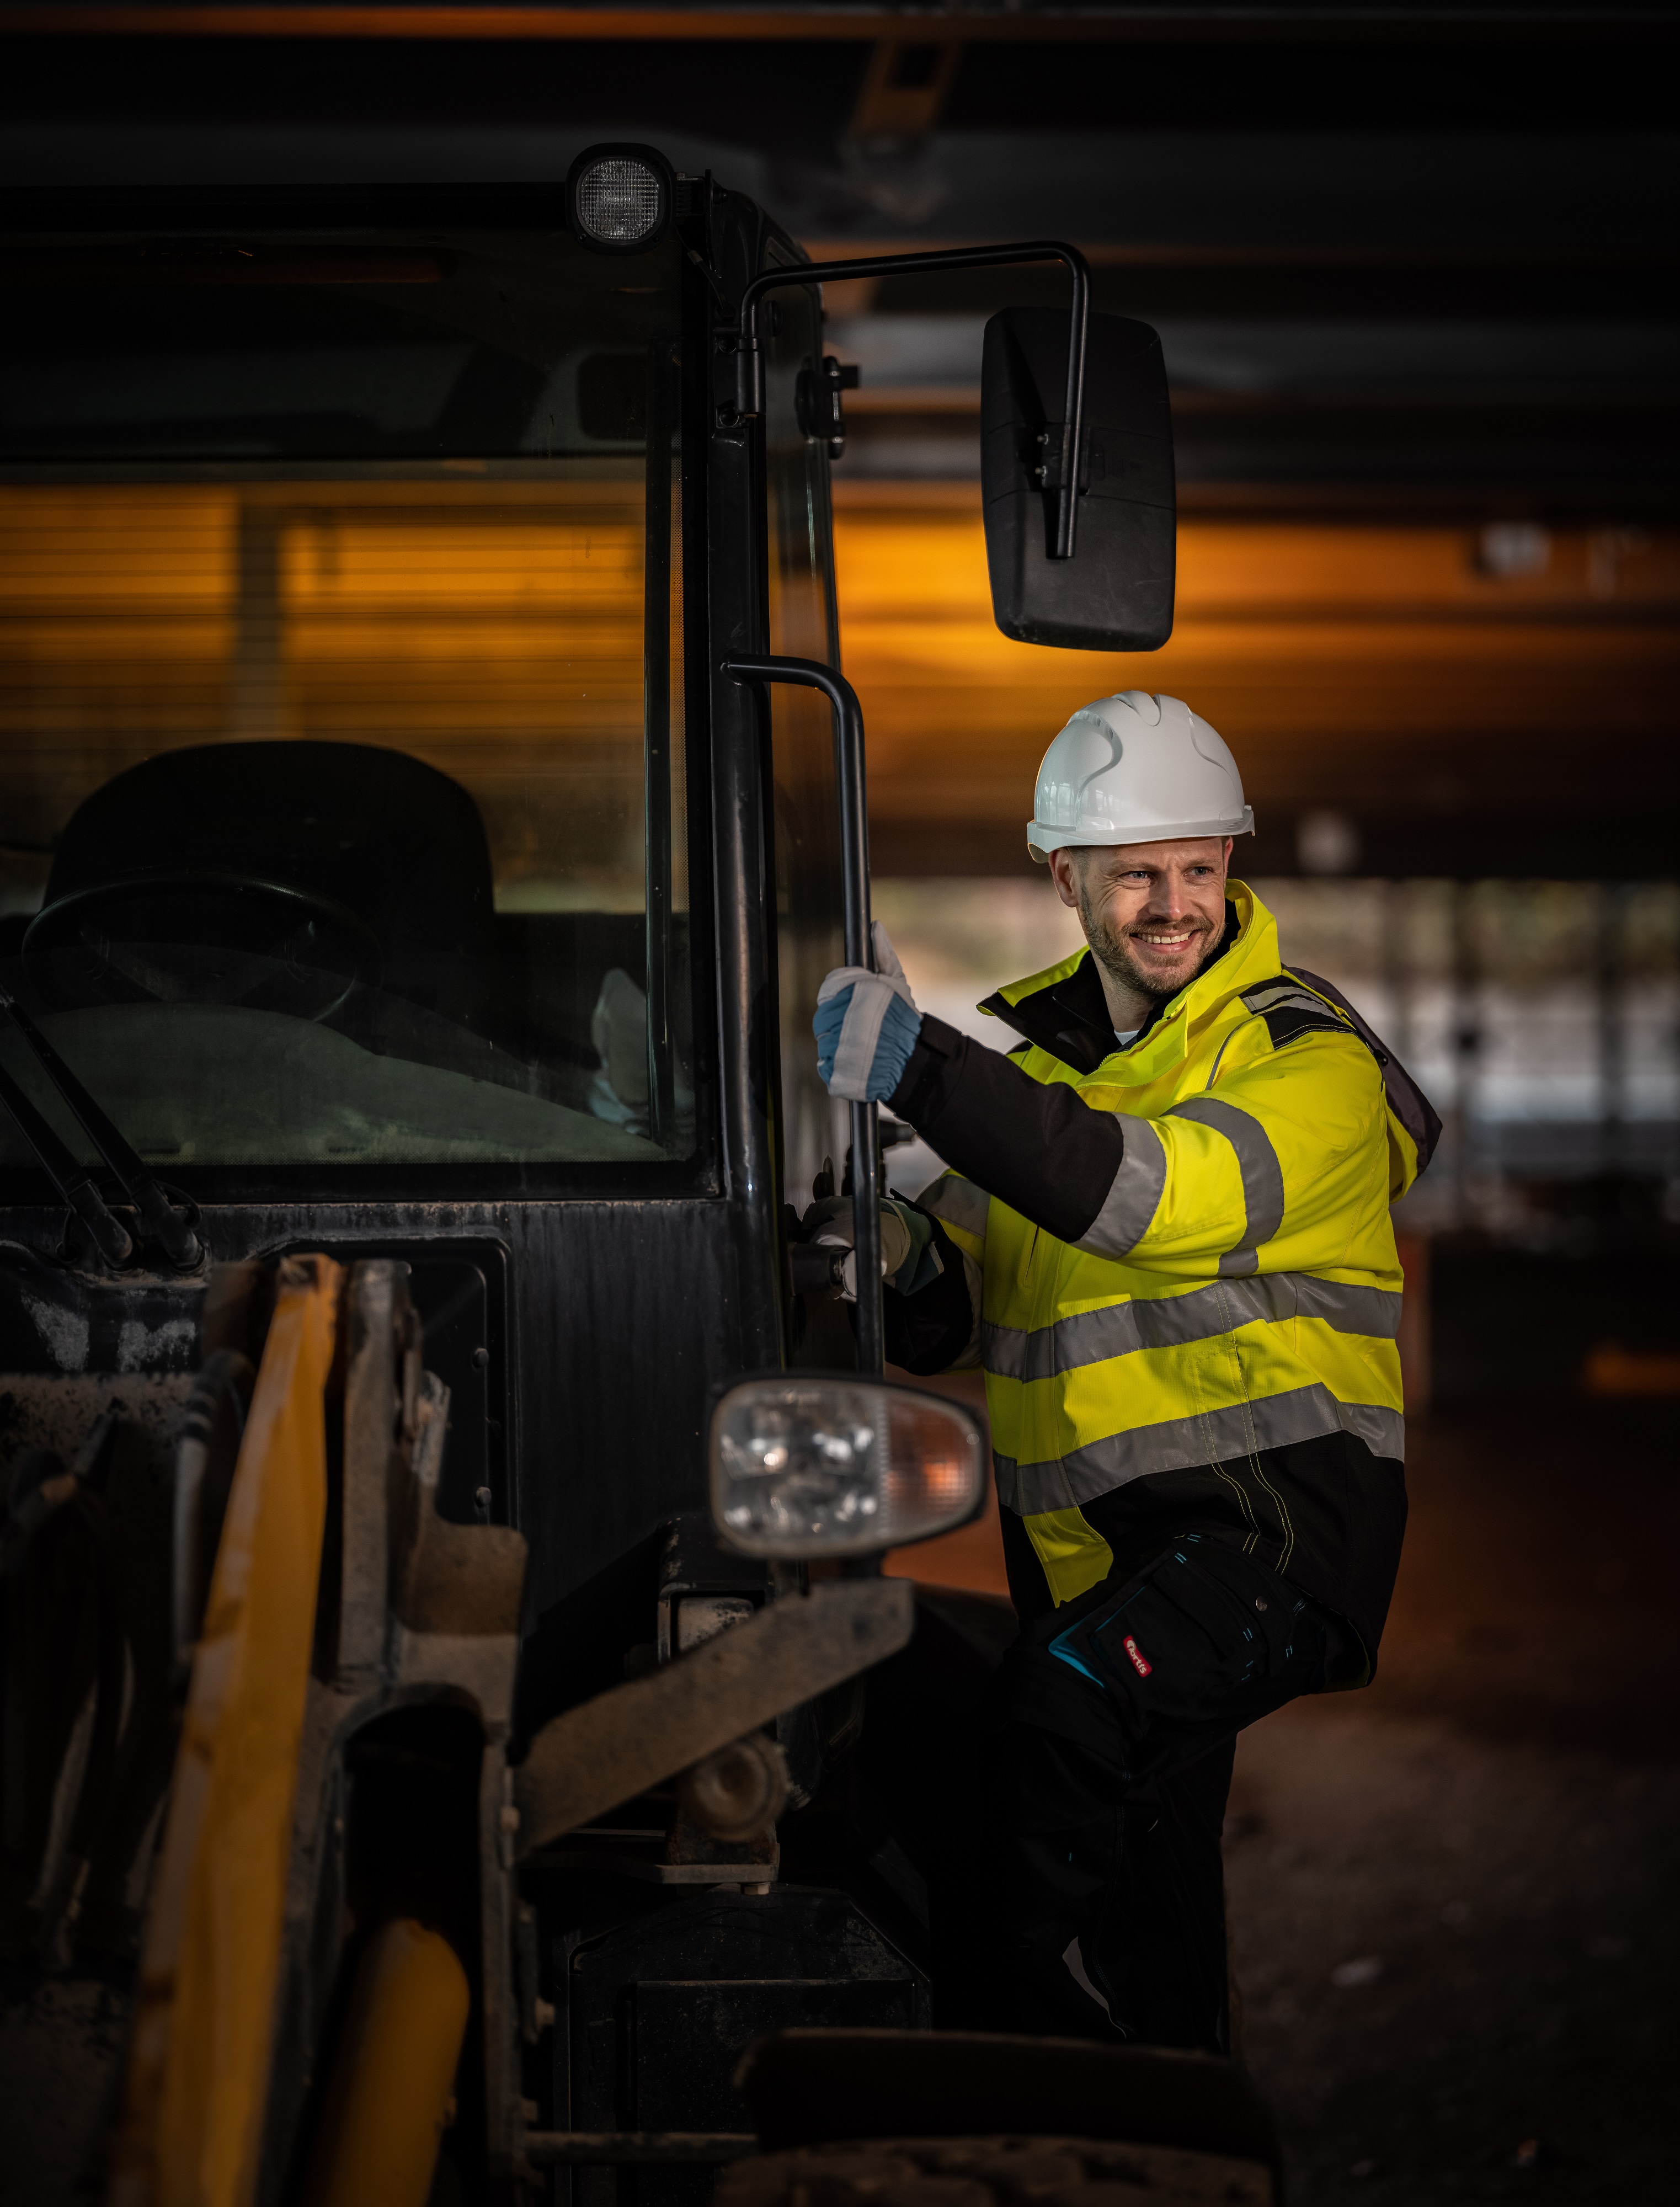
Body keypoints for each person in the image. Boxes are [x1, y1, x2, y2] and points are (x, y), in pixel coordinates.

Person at [809, 689, 1438, 2053]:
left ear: (1230, 864)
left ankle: (1011, 2063)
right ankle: (1172, 2105)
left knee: (1058, 1713)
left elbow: (1146, 1194)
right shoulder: (1057, 1076)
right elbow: (954, 1305)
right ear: (1065, 878)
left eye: (1197, 868)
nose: (1173, 904)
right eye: (1137, 873)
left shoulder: (1300, 1056)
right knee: (1148, 1881)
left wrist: (923, 1068)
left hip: (1271, 1530)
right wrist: (880, 1242)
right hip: (1097, 1556)